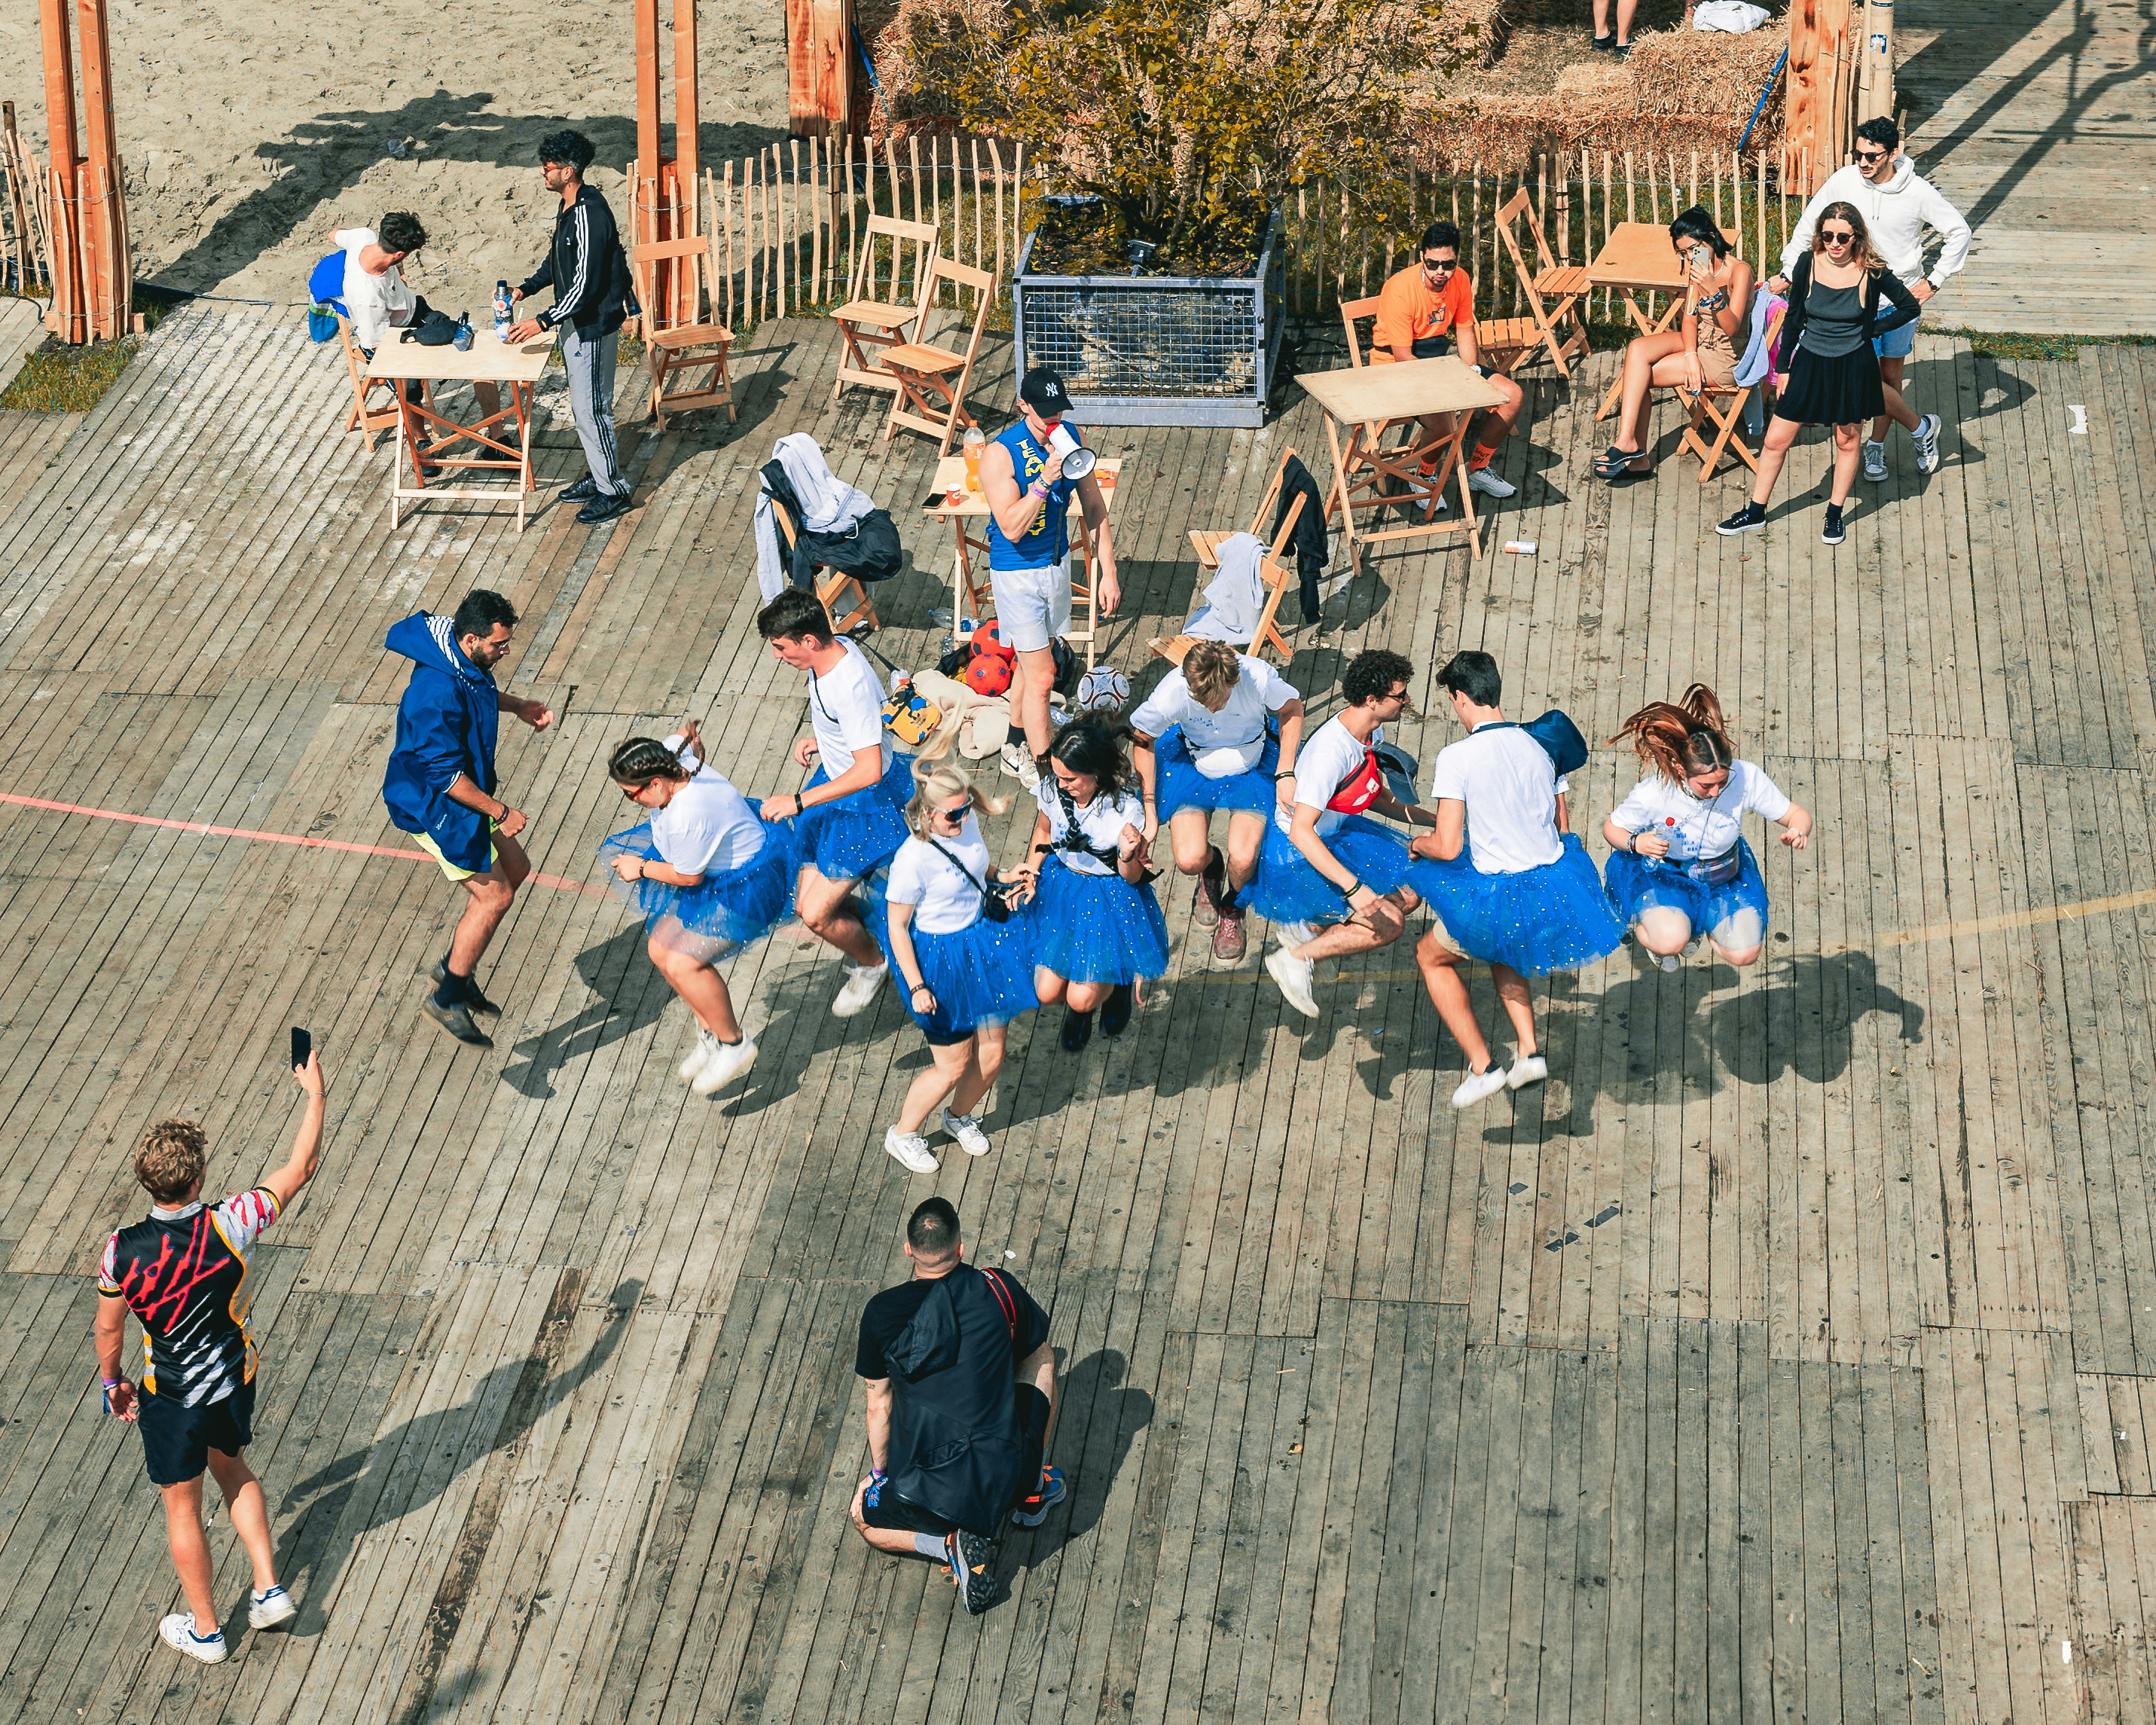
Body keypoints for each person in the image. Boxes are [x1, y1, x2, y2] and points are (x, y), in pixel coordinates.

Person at [95, 1046, 328, 1662]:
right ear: (197, 1180)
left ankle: (206, 1631)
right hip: (232, 1378)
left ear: (149, 1182)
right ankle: (268, 1588)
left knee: (183, 1507)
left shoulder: (120, 1251)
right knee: (234, 1469)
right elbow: (300, 1167)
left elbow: (109, 1330)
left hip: (169, 1396)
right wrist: (315, 1096)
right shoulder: (235, 1218)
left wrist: (110, 1381)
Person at [1406, 651, 1625, 1109]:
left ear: (1460, 697)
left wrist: (1418, 845)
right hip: (1552, 882)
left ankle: (1483, 1067)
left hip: (1500, 890)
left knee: (1430, 956)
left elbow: (1446, 846)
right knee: (1503, 947)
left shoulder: (1456, 756)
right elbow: (1561, 819)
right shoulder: (1541, 743)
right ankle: (1528, 1051)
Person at [850, 1198, 1062, 1616]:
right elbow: (1032, 1348)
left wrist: (879, 1477)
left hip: (926, 1492)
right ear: (961, 1248)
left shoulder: (881, 1314)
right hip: (1007, 1473)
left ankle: (947, 1544)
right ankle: (1035, 1491)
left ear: (908, 1250)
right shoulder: (998, 1288)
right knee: (1040, 1356)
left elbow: (879, 1405)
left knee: (865, 1519)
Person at [382, 590, 556, 1046]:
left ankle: (452, 967)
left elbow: (479, 691)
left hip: (463, 797)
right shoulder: (433, 694)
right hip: (436, 807)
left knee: (517, 869)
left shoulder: (463, 656)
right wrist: (500, 811)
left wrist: (518, 706)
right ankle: (448, 997)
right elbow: (445, 777)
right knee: (494, 898)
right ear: (472, 638)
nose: (506, 651)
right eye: (500, 645)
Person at [599, 723, 797, 1095]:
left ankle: (734, 1045)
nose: (630, 800)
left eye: (631, 794)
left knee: (686, 962)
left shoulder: (689, 815)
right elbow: (685, 744)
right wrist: (690, 737)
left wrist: (638, 867)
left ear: (657, 783)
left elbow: (688, 877)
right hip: (721, 874)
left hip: (746, 886)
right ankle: (710, 1032)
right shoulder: (676, 758)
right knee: (659, 948)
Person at [1773, 115, 1968, 481]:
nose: (1863, 163)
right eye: (1858, 153)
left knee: (1890, 374)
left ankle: (1875, 447)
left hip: (1896, 298)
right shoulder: (1844, 180)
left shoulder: (1919, 192)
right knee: (1864, 380)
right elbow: (1809, 225)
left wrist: (1934, 281)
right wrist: (1788, 273)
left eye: (1872, 156)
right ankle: (1920, 427)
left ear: (1894, 153)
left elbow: (1959, 230)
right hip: (1853, 298)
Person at [1715, 203, 1920, 547]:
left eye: (1842, 237)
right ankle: (1755, 511)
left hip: (1853, 365)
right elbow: (1794, 319)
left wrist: (1871, 329)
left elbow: (1909, 307)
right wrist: (1783, 370)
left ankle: (1834, 513)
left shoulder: (1872, 270)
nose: (1835, 243)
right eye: (1828, 236)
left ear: (1856, 237)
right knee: (1775, 440)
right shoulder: (1807, 263)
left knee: (1847, 440)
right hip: (1809, 361)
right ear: (1820, 235)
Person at [871, 761, 1040, 1173]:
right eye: (954, 813)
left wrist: (1003, 874)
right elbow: (896, 926)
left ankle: (959, 1117)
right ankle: (904, 1134)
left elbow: (979, 870)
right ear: (927, 813)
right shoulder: (911, 860)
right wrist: (916, 986)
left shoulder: (964, 825)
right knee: (952, 1065)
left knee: (994, 1053)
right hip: (940, 961)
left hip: (980, 944)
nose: (963, 818)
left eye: (967, 808)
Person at [1245, 649, 1428, 1019]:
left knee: (1409, 895)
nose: (1407, 701)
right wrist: (1355, 890)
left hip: (1338, 832)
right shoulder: (1333, 751)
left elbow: (1370, 794)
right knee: (1389, 923)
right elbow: (1300, 832)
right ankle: (1293, 959)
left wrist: (1433, 820)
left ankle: (1310, 931)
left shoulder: (1367, 732)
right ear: (1373, 700)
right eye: (1400, 695)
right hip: (1300, 853)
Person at [754, 588, 910, 1017]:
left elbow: (869, 770)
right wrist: (824, 739)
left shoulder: (848, 685)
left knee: (815, 913)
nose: (777, 656)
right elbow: (862, 724)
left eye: (781, 647)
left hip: (866, 806)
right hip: (842, 786)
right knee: (811, 899)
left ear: (808, 640)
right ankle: (873, 935)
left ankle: (873, 962)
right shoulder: (832, 653)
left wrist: (800, 801)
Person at [1602, 684, 1812, 971]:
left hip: (1723, 875)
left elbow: (1795, 814)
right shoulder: (1653, 793)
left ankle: (1698, 924)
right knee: (1670, 942)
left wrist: (1799, 829)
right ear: (1679, 768)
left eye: (1722, 783)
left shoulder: (1746, 777)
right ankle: (1663, 927)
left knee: (1744, 955)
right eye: (1706, 785)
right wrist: (1636, 843)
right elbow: (1612, 828)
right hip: (1668, 876)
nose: (1716, 792)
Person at [978, 367, 1120, 783]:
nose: (1052, 420)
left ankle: (1013, 742)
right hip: (1017, 573)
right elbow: (1011, 527)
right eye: (1044, 413)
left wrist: (1107, 572)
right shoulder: (999, 454)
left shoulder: (1071, 437)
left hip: (1056, 566)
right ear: (1023, 406)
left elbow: (1094, 508)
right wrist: (1043, 481)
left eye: (1058, 410)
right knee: (1043, 678)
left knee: (1029, 664)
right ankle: (1047, 774)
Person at [1129, 640, 1305, 963]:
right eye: (1201, 700)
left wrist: (1286, 772)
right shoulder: (1172, 691)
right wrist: (1151, 813)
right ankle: (1211, 867)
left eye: (1217, 701)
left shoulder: (1256, 676)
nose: (1209, 708)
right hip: (1193, 763)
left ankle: (1232, 906)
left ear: (1233, 681)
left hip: (1253, 764)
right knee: (1189, 859)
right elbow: (1142, 737)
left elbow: (1292, 708)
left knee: (1244, 857)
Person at [504, 130, 637, 525]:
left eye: (547, 167)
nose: (542, 172)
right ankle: (599, 478)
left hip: (591, 325)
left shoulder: (588, 214)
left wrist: (543, 320)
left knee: (592, 409)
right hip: (576, 322)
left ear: (568, 170)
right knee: (584, 409)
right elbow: (558, 263)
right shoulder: (571, 206)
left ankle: (613, 490)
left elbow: (585, 284)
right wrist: (525, 289)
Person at [1021, 716, 1170, 1053]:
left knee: (1080, 997)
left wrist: (1130, 853)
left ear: (1096, 772)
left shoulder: (1123, 811)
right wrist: (1031, 872)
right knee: (1046, 993)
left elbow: (1131, 877)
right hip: (1062, 887)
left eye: (1070, 778)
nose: (1061, 785)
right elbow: (1044, 832)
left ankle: (1112, 988)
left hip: (1107, 897)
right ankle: (1095, 993)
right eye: (1058, 775)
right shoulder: (1051, 790)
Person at [1594, 206, 1754, 479]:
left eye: (1694, 249)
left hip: (1727, 356)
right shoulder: (1698, 269)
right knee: (1638, 349)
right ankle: (1628, 445)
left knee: (1641, 376)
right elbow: (1690, 318)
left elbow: (1731, 327)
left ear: (1711, 237)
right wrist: (1690, 355)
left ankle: (1633, 450)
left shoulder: (1740, 272)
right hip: (1701, 343)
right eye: (1683, 253)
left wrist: (1713, 290)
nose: (1690, 257)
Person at [1370, 221, 1522, 501]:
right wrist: (1451, 389)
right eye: (1433, 264)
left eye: (1448, 264)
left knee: (1511, 395)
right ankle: (1424, 474)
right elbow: (1404, 357)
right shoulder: (1400, 289)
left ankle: (1478, 468)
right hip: (1394, 365)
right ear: (1422, 258)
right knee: (1443, 421)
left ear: (1458, 260)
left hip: (1439, 360)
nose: (1441, 271)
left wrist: (1471, 371)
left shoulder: (1461, 279)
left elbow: (1464, 328)